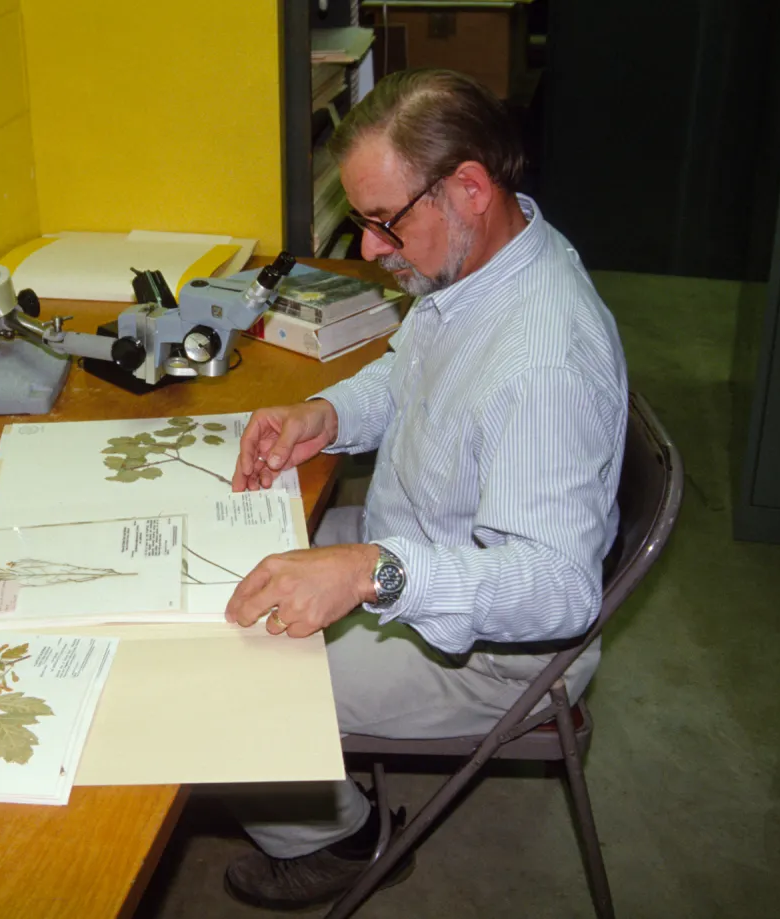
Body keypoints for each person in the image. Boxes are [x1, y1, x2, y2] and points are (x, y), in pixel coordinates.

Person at [221, 68, 629, 910]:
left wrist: (373, 570)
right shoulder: (478, 268)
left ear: (469, 187)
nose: (369, 248)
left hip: (491, 654)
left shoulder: (543, 358)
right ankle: (332, 810)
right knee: (228, 561)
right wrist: (323, 416)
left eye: (382, 220)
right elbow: (409, 371)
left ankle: (342, 836)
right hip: (416, 539)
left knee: (223, 673)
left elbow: (558, 588)